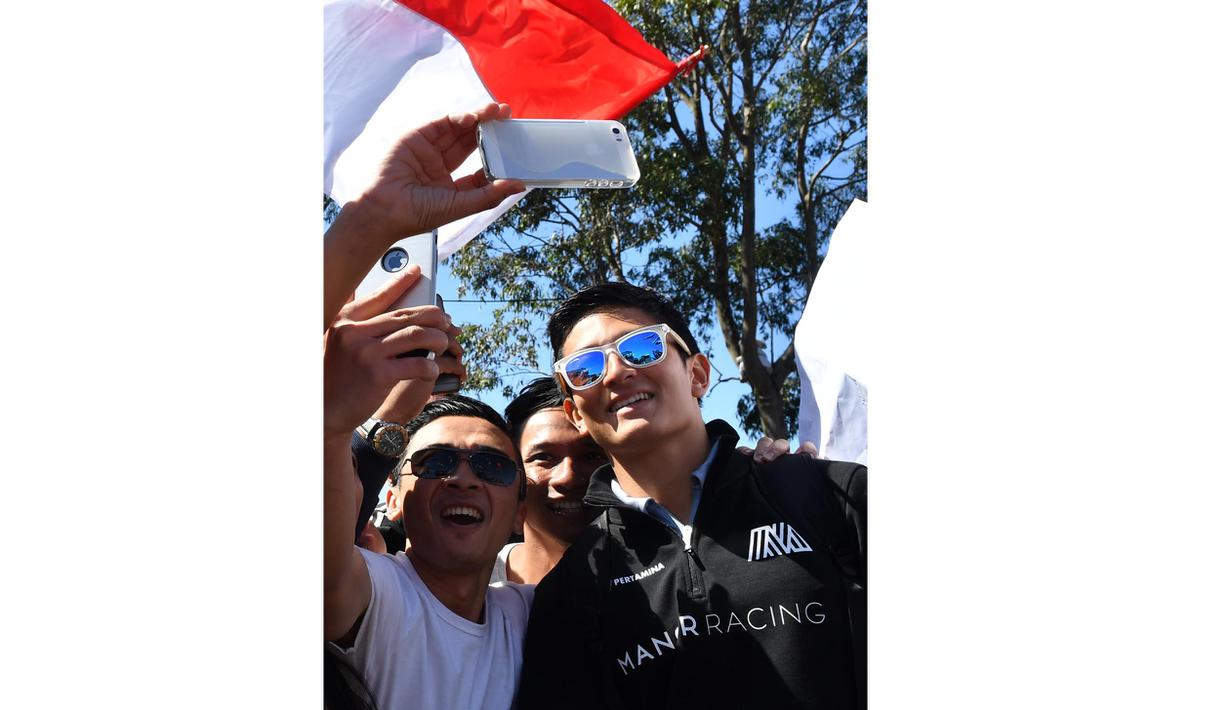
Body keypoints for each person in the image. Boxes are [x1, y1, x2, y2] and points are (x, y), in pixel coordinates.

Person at [518, 282, 867, 709]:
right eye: (585, 369)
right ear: (575, 414)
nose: (615, 372)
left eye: (642, 347)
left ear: (697, 375)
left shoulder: (834, 494)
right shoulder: (573, 589)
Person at [493, 377, 610, 584]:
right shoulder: (471, 580)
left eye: (592, 456)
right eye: (543, 457)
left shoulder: (659, 580)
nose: (568, 477)